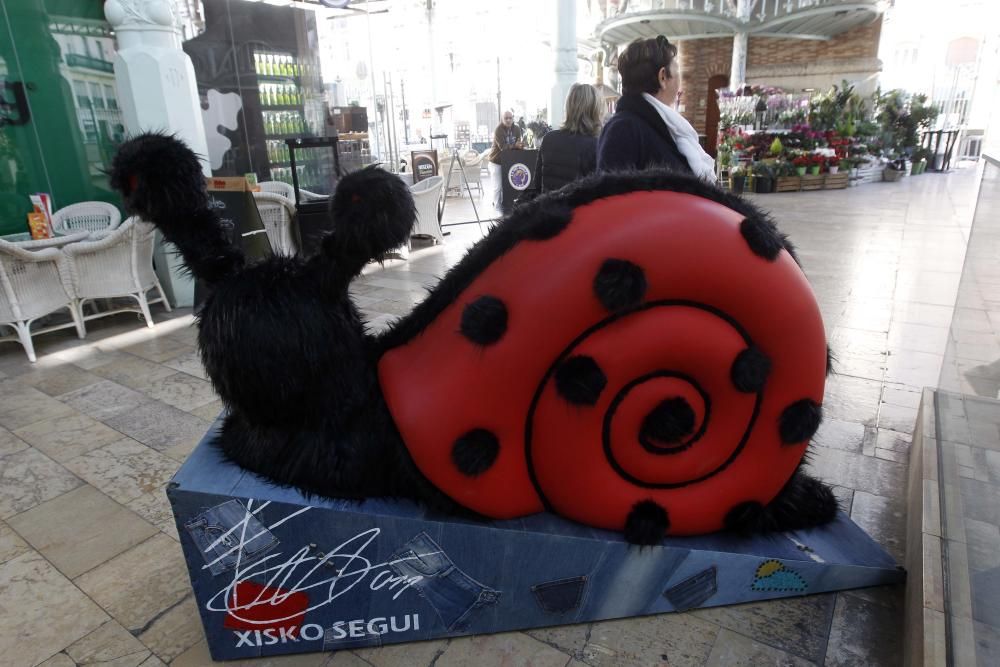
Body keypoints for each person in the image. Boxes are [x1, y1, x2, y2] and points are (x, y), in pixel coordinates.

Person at [597, 35, 716, 181]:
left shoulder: (661, 124)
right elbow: (612, 198)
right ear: (663, 77)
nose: (680, 81)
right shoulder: (623, 129)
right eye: (678, 73)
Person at [535, 83, 602, 193]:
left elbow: (538, 183)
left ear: (568, 106)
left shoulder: (549, 139)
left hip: (547, 207)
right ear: (594, 109)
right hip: (578, 209)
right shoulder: (595, 145)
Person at [487, 110, 523, 211]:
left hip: (509, 162)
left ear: (513, 118)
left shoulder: (516, 128)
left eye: (510, 118)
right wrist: (515, 145)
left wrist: (520, 145)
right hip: (496, 162)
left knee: (507, 186)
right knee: (497, 187)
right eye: (506, 118)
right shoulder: (498, 130)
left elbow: (518, 142)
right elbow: (503, 147)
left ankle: (505, 209)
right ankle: (497, 209)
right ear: (502, 119)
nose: (508, 120)